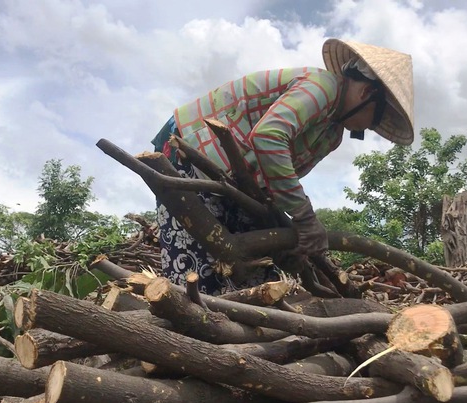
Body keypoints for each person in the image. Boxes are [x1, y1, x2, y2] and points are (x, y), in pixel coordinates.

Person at [151, 38, 414, 295]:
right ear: (366, 93)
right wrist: (305, 217)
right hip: (186, 151)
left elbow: (276, 180)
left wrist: (287, 235)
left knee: (257, 278)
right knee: (196, 277)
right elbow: (268, 136)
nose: (370, 127)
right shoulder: (321, 87)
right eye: (376, 118)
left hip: (232, 182)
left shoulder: (332, 136)